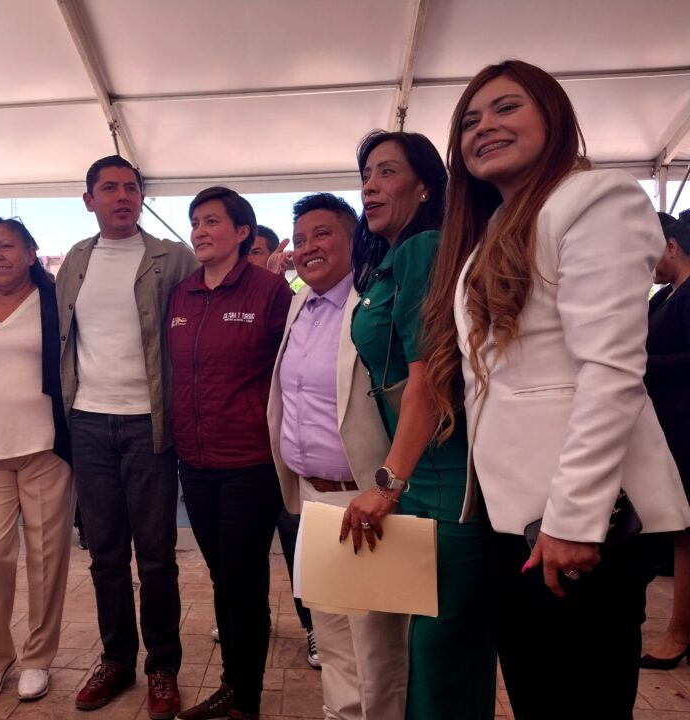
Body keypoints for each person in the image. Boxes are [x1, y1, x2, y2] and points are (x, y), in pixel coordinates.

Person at [421, 59, 690, 719]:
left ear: (554, 116)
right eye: (470, 121)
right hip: (513, 520)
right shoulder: (493, 228)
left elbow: (611, 371)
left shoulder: (597, 198)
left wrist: (575, 519)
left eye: (506, 107)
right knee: (539, 698)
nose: (485, 127)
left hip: (580, 524)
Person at [341, 131, 496, 719]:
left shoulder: (425, 248)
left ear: (426, 187)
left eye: (388, 172)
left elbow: (430, 377)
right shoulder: (394, 259)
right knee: (443, 650)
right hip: (422, 474)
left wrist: (387, 485)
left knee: (440, 652)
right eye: (366, 175)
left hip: (445, 475)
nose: (370, 186)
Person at [56, 155, 198, 719]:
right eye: (110, 188)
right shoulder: (75, 260)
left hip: (149, 424)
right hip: (88, 422)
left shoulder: (173, 257)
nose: (123, 196)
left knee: (157, 555)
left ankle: (163, 666)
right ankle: (116, 659)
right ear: (88, 199)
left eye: (132, 188)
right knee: (105, 554)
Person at [268, 193, 409, 720]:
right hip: (312, 498)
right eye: (301, 238)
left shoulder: (375, 306)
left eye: (322, 234)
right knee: (331, 639)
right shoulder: (299, 304)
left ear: (354, 241)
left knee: (376, 647)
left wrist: (390, 487)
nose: (308, 247)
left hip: (365, 498)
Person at [170, 186, 292, 720]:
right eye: (195, 221)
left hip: (249, 462)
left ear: (243, 232)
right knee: (223, 579)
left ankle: (246, 700)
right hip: (195, 462)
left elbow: (293, 372)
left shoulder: (269, 291)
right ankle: (233, 685)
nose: (200, 231)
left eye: (212, 221)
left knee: (243, 582)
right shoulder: (182, 294)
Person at [0, 218, 74, 702]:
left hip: (44, 449)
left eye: (6, 246)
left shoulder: (54, 301)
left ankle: (37, 658)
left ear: (30, 252)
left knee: (47, 559)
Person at [228, 221, 319, 669]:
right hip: (246, 448)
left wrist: (272, 286)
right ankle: (253, 619)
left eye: (260, 252)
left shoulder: (288, 298)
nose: (255, 262)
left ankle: (313, 625)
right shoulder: (230, 304)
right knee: (246, 548)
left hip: (285, 448)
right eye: (249, 255)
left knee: (296, 539)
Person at [641, 213, 690, 669]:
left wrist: (641, 365)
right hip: (668, 425)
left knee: (686, 533)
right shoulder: (664, 298)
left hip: (685, 423)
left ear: (672, 246)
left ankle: (680, 632)